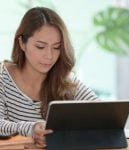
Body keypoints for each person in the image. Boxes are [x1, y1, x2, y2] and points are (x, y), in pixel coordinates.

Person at [0, 7, 99, 148]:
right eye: (40, 47)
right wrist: (31, 129)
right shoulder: (2, 78)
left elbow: (101, 115)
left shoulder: (65, 80)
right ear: (22, 43)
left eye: (56, 47)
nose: (49, 56)